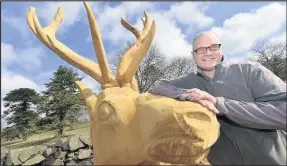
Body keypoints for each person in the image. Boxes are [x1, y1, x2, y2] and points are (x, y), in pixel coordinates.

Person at [150, 31, 286, 165]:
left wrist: (220, 104)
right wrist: (187, 95)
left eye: (213, 47)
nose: (208, 53)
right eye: (201, 49)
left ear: (220, 48)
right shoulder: (189, 82)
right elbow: (159, 86)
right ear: (193, 54)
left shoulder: (249, 70)